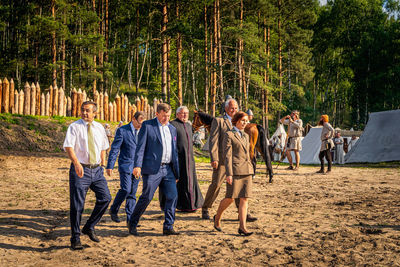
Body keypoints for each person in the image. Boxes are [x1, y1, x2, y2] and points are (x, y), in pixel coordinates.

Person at [63, 101, 111, 250]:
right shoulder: (74, 127)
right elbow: (69, 146)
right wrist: (76, 163)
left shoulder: (99, 127)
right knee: (77, 205)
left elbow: (104, 146)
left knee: (105, 198)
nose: (85, 113)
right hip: (80, 170)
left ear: (94, 113)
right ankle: (75, 238)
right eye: (83, 110)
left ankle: (89, 226)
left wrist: (103, 163)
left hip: (97, 171)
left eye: (88, 111)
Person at [201, 98, 257, 222]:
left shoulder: (240, 121)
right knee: (216, 185)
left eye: (236, 108)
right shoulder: (219, 121)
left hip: (237, 162)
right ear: (226, 108)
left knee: (239, 187)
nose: (234, 110)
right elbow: (213, 140)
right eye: (232, 108)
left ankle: (242, 213)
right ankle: (205, 208)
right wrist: (214, 158)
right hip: (221, 160)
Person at [128, 103, 180, 236]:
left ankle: (168, 226)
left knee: (172, 196)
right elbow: (140, 147)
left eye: (168, 116)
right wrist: (137, 166)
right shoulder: (148, 126)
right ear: (157, 114)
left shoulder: (172, 129)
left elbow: (174, 151)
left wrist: (176, 171)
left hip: (168, 169)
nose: (166, 119)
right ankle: (132, 223)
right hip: (152, 169)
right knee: (147, 197)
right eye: (163, 116)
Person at [213, 111, 254, 236]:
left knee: (244, 199)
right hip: (235, 171)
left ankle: (242, 227)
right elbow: (227, 156)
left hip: (247, 170)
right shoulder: (229, 135)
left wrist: (252, 169)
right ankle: (217, 217)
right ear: (236, 120)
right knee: (230, 198)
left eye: (246, 121)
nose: (245, 123)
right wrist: (229, 174)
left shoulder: (246, 135)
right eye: (242, 120)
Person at [106, 111, 146, 224]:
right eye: (139, 122)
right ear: (133, 119)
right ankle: (114, 208)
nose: (140, 125)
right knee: (126, 189)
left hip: (138, 167)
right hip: (125, 165)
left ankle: (130, 220)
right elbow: (115, 149)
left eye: (143, 124)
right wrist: (110, 165)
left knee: (132, 193)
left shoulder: (143, 131)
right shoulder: (122, 130)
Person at [170, 106, 204, 211]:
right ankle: (183, 205)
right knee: (181, 182)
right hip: (178, 159)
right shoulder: (172, 125)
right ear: (177, 114)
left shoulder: (189, 125)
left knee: (191, 180)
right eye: (182, 113)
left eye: (186, 113)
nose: (185, 115)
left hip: (190, 159)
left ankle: (193, 204)